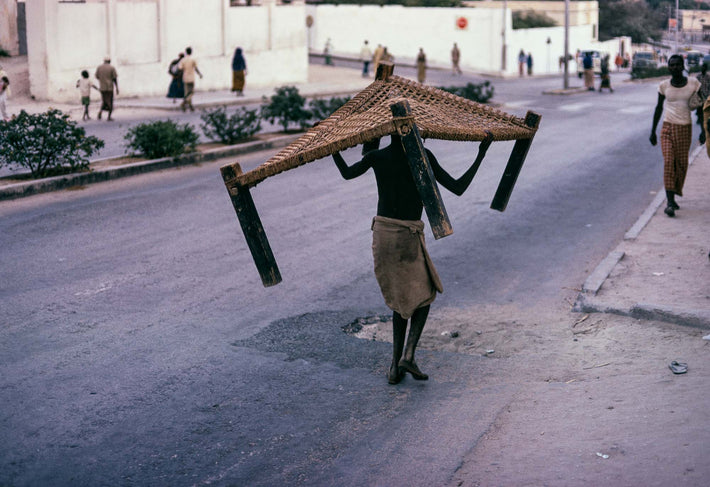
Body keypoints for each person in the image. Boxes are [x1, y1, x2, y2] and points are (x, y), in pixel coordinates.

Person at [332, 131, 494, 384]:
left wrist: (334, 148)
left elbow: (347, 173)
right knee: (425, 293)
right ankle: (408, 355)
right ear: (413, 133)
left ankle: (394, 368)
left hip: (382, 234)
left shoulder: (377, 155)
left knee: (401, 299)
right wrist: (481, 154)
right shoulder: (423, 156)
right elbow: (458, 187)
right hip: (406, 235)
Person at [650, 54, 701, 217]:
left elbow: (701, 108)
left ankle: (674, 194)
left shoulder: (693, 84)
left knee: (681, 164)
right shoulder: (664, 86)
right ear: (668, 67)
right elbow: (658, 108)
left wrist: (704, 131)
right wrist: (652, 131)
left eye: (677, 65)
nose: (674, 68)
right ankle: (670, 202)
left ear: (683, 66)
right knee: (669, 162)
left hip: (685, 128)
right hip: (667, 128)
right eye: (671, 65)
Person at [178, 46, 202, 112]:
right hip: (191, 78)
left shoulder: (183, 60)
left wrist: (179, 77)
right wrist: (200, 74)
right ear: (191, 52)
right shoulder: (193, 59)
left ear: (186, 52)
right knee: (191, 92)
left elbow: (180, 69)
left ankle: (190, 106)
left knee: (187, 93)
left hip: (185, 77)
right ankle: (184, 103)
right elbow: (196, 68)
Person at [95, 57, 119, 121]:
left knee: (104, 101)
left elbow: (97, 76)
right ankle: (109, 116)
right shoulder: (112, 68)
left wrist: (102, 80)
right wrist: (117, 88)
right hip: (109, 88)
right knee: (110, 101)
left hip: (102, 87)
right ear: (109, 61)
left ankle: (100, 112)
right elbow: (114, 78)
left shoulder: (99, 67)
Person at [695, 63, 710, 143]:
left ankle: (705, 131)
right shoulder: (698, 77)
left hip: (707, 99)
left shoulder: (708, 77)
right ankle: (703, 131)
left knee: (706, 115)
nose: (702, 69)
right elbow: (695, 88)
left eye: (704, 67)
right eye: (702, 67)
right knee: (700, 114)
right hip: (700, 99)